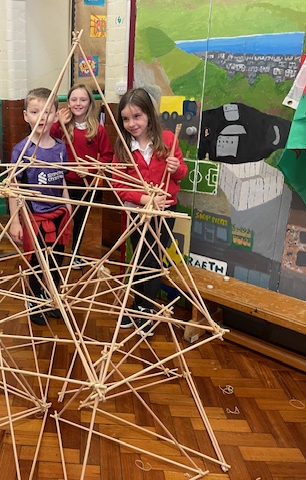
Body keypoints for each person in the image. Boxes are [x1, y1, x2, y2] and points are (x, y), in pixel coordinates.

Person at [111, 87, 188, 334]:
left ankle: (145, 309)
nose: (132, 123)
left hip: (164, 212)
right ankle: (137, 304)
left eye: (137, 117)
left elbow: (182, 174)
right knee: (139, 259)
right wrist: (145, 199)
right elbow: (118, 185)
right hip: (137, 211)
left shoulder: (167, 139)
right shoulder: (123, 146)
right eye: (125, 118)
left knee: (153, 260)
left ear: (149, 115)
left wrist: (176, 168)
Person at [9, 87, 72, 325]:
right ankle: (34, 299)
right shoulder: (21, 151)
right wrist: (15, 220)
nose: (42, 117)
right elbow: (13, 188)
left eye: (47, 112)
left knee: (57, 260)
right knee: (37, 262)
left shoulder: (59, 147)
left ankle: (51, 296)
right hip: (35, 216)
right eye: (35, 112)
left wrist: (68, 205)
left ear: (56, 115)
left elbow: (62, 177)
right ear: (26, 115)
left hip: (59, 214)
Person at [50, 83, 113, 269]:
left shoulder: (97, 129)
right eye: (74, 99)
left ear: (90, 103)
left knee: (80, 220)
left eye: (83, 99)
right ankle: (56, 252)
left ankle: (76, 254)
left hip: (85, 184)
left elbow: (107, 156)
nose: (78, 103)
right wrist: (57, 122)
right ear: (68, 103)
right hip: (62, 181)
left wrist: (90, 170)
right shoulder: (63, 126)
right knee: (61, 217)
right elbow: (48, 139)